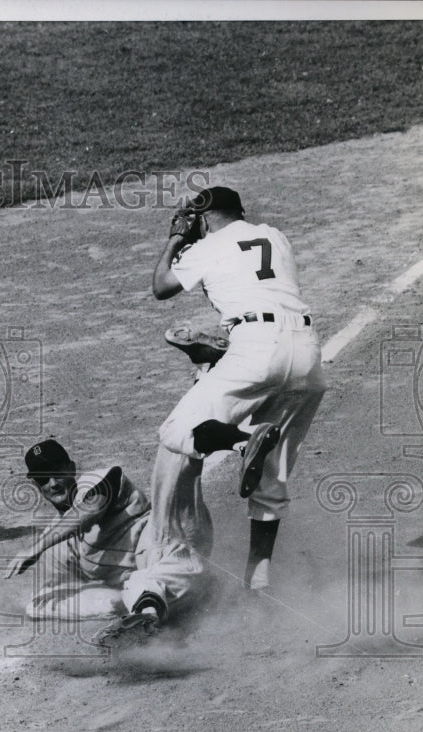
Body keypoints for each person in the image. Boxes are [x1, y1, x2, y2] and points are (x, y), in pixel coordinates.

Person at [151, 186, 326, 590]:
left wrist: (177, 239)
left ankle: (243, 439)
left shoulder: (206, 247)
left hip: (257, 349)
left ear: (203, 216)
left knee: (176, 431)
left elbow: (161, 286)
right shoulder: (275, 236)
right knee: (273, 475)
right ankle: (259, 576)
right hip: (307, 356)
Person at [4, 439, 209, 646]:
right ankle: (141, 617)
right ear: (36, 486)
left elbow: (90, 510)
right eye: (43, 478)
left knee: (173, 449)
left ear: (71, 468)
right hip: (152, 589)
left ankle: (147, 626)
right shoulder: (56, 544)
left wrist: (37, 548)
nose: (53, 483)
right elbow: (63, 586)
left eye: (57, 472)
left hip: (171, 546)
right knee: (38, 603)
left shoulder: (95, 481)